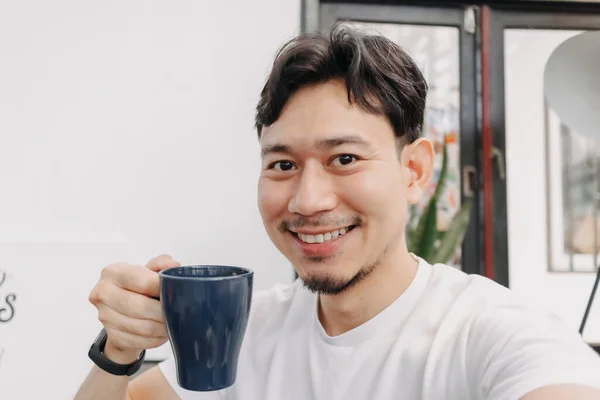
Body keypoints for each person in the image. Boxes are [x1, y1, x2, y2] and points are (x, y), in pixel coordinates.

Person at [74, 24, 600, 400]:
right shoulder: (249, 331)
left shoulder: (489, 334)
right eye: (282, 164)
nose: (307, 201)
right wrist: (120, 348)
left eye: (344, 159)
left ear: (414, 171)